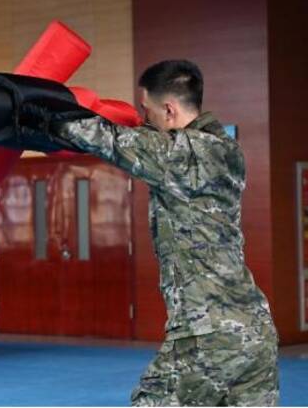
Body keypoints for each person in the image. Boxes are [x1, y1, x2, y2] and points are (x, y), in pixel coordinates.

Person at [45, 60, 278, 405]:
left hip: (208, 335)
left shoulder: (186, 153)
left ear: (168, 109)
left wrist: (38, 116)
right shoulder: (223, 148)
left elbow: (107, 139)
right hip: (255, 332)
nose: (142, 119)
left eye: (146, 110)